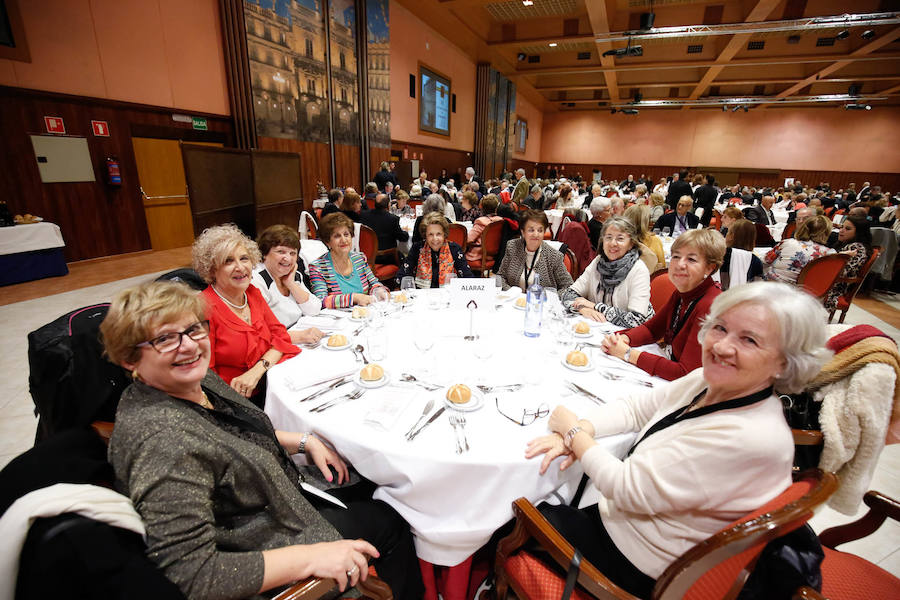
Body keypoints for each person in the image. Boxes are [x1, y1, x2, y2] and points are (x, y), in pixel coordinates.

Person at [101, 281, 422, 600]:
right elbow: (192, 574)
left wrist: (303, 440)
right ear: (130, 359)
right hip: (269, 536)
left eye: (193, 329)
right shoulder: (163, 442)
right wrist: (312, 558)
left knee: (369, 476)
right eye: (164, 339)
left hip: (274, 495)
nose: (188, 345)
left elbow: (227, 431)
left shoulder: (191, 380)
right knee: (393, 518)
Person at [527, 281, 830, 598]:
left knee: (508, 516)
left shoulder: (752, 437)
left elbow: (625, 487)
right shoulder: (707, 381)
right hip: (627, 524)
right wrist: (586, 426)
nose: (722, 347)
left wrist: (573, 433)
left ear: (785, 362)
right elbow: (638, 408)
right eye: (721, 328)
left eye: (749, 340)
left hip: (638, 563)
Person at [192, 224, 299, 407]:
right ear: (211, 269)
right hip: (233, 402)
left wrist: (258, 370)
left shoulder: (252, 293)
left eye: (244, 258)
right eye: (228, 261)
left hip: (270, 384)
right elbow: (204, 377)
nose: (240, 267)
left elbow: (280, 337)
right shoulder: (203, 308)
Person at [600, 229, 725, 380]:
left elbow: (685, 373)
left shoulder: (710, 306)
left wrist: (627, 353)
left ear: (709, 267)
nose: (680, 264)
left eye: (691, 259)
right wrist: (623, 339)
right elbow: (652, 330)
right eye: (676, 256)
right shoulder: (683, 293)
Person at [561, 217, 653, 328]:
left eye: (620, 239)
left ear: (631, 244)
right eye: (608, 238)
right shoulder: (598, 262)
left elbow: (636, 320)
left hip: (630, 337)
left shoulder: (638, 270)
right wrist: (582, 308)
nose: (613, 243)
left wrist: (595, 307)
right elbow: (568, 295)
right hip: (599, 331)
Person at [251, 225, 325, 345]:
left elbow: (314, 309)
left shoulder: (293, 276)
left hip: (298, 339)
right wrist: (299, 337)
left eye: (292, 253)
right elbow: (260, 332)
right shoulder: (257, 281)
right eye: (281, 252)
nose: (288, 258)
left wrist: (291, 284)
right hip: (277, 345)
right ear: (264, 254)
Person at [309, 213, 385, 309]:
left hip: (365, 315)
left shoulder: (359, 259)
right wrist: (354, 298)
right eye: (337, 236)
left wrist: (380, 291)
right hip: (337, 321)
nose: (344, 240)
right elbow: (321, 301)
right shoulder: (318, 267)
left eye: (346, 234)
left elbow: (374, 283)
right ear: (327, 241)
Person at [495, 210, 573, 291]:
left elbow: (568, 287)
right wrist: (512, 293)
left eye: (540, 230)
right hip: (513, 301)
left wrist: (547, 298)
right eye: (531, 230)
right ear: (523, 232)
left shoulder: (553, 256)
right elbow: (500, 277)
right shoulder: (512, 247)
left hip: (541, 302)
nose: (536, 234)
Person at [397, 213, 473, 288]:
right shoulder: (417, 248)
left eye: (438, 234)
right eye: (430, 234)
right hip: (422, 296)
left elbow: (468, 278)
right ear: (425, 235)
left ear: (444, 234)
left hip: (447, 295)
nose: (435, 239)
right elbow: (402, 275)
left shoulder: (454, 249)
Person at [764, 216, 835, 285]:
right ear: (826, 233)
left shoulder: (787, 242)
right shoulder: (827, 254)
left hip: (771, 285)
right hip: (799, 292)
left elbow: (767, 260)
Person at [825, 215, 872, 311]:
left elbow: (841, 272)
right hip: (830, 281)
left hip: (834, 289)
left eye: (847, 229)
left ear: (859, 232)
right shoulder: (847, 244)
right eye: (842, 227)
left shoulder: (857, 248)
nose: (841, 231)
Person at [359, 193, 409, 263]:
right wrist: (406, 232)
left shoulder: (364, 215)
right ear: (388, 204)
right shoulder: (392, 219)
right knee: (404, 258)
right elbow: (402, 238)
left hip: (366, 255)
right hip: (386, 257)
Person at [719, 219, 763, 290]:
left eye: (728, 232)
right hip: (743, 297)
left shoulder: (720, 254)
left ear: (731, 236)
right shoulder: (756, 261)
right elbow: (757, 288)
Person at [624, 204, 665, 271]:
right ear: (645, 221)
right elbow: (661, 268)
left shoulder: (620, 241)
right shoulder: (654, 240)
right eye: (649, 218)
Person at [466, 193, 504, 263]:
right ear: (496, 207)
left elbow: (468, 239)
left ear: (482, 208)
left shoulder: (481, 221)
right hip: (495, 255)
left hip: (478, 255)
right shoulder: (500, 220)